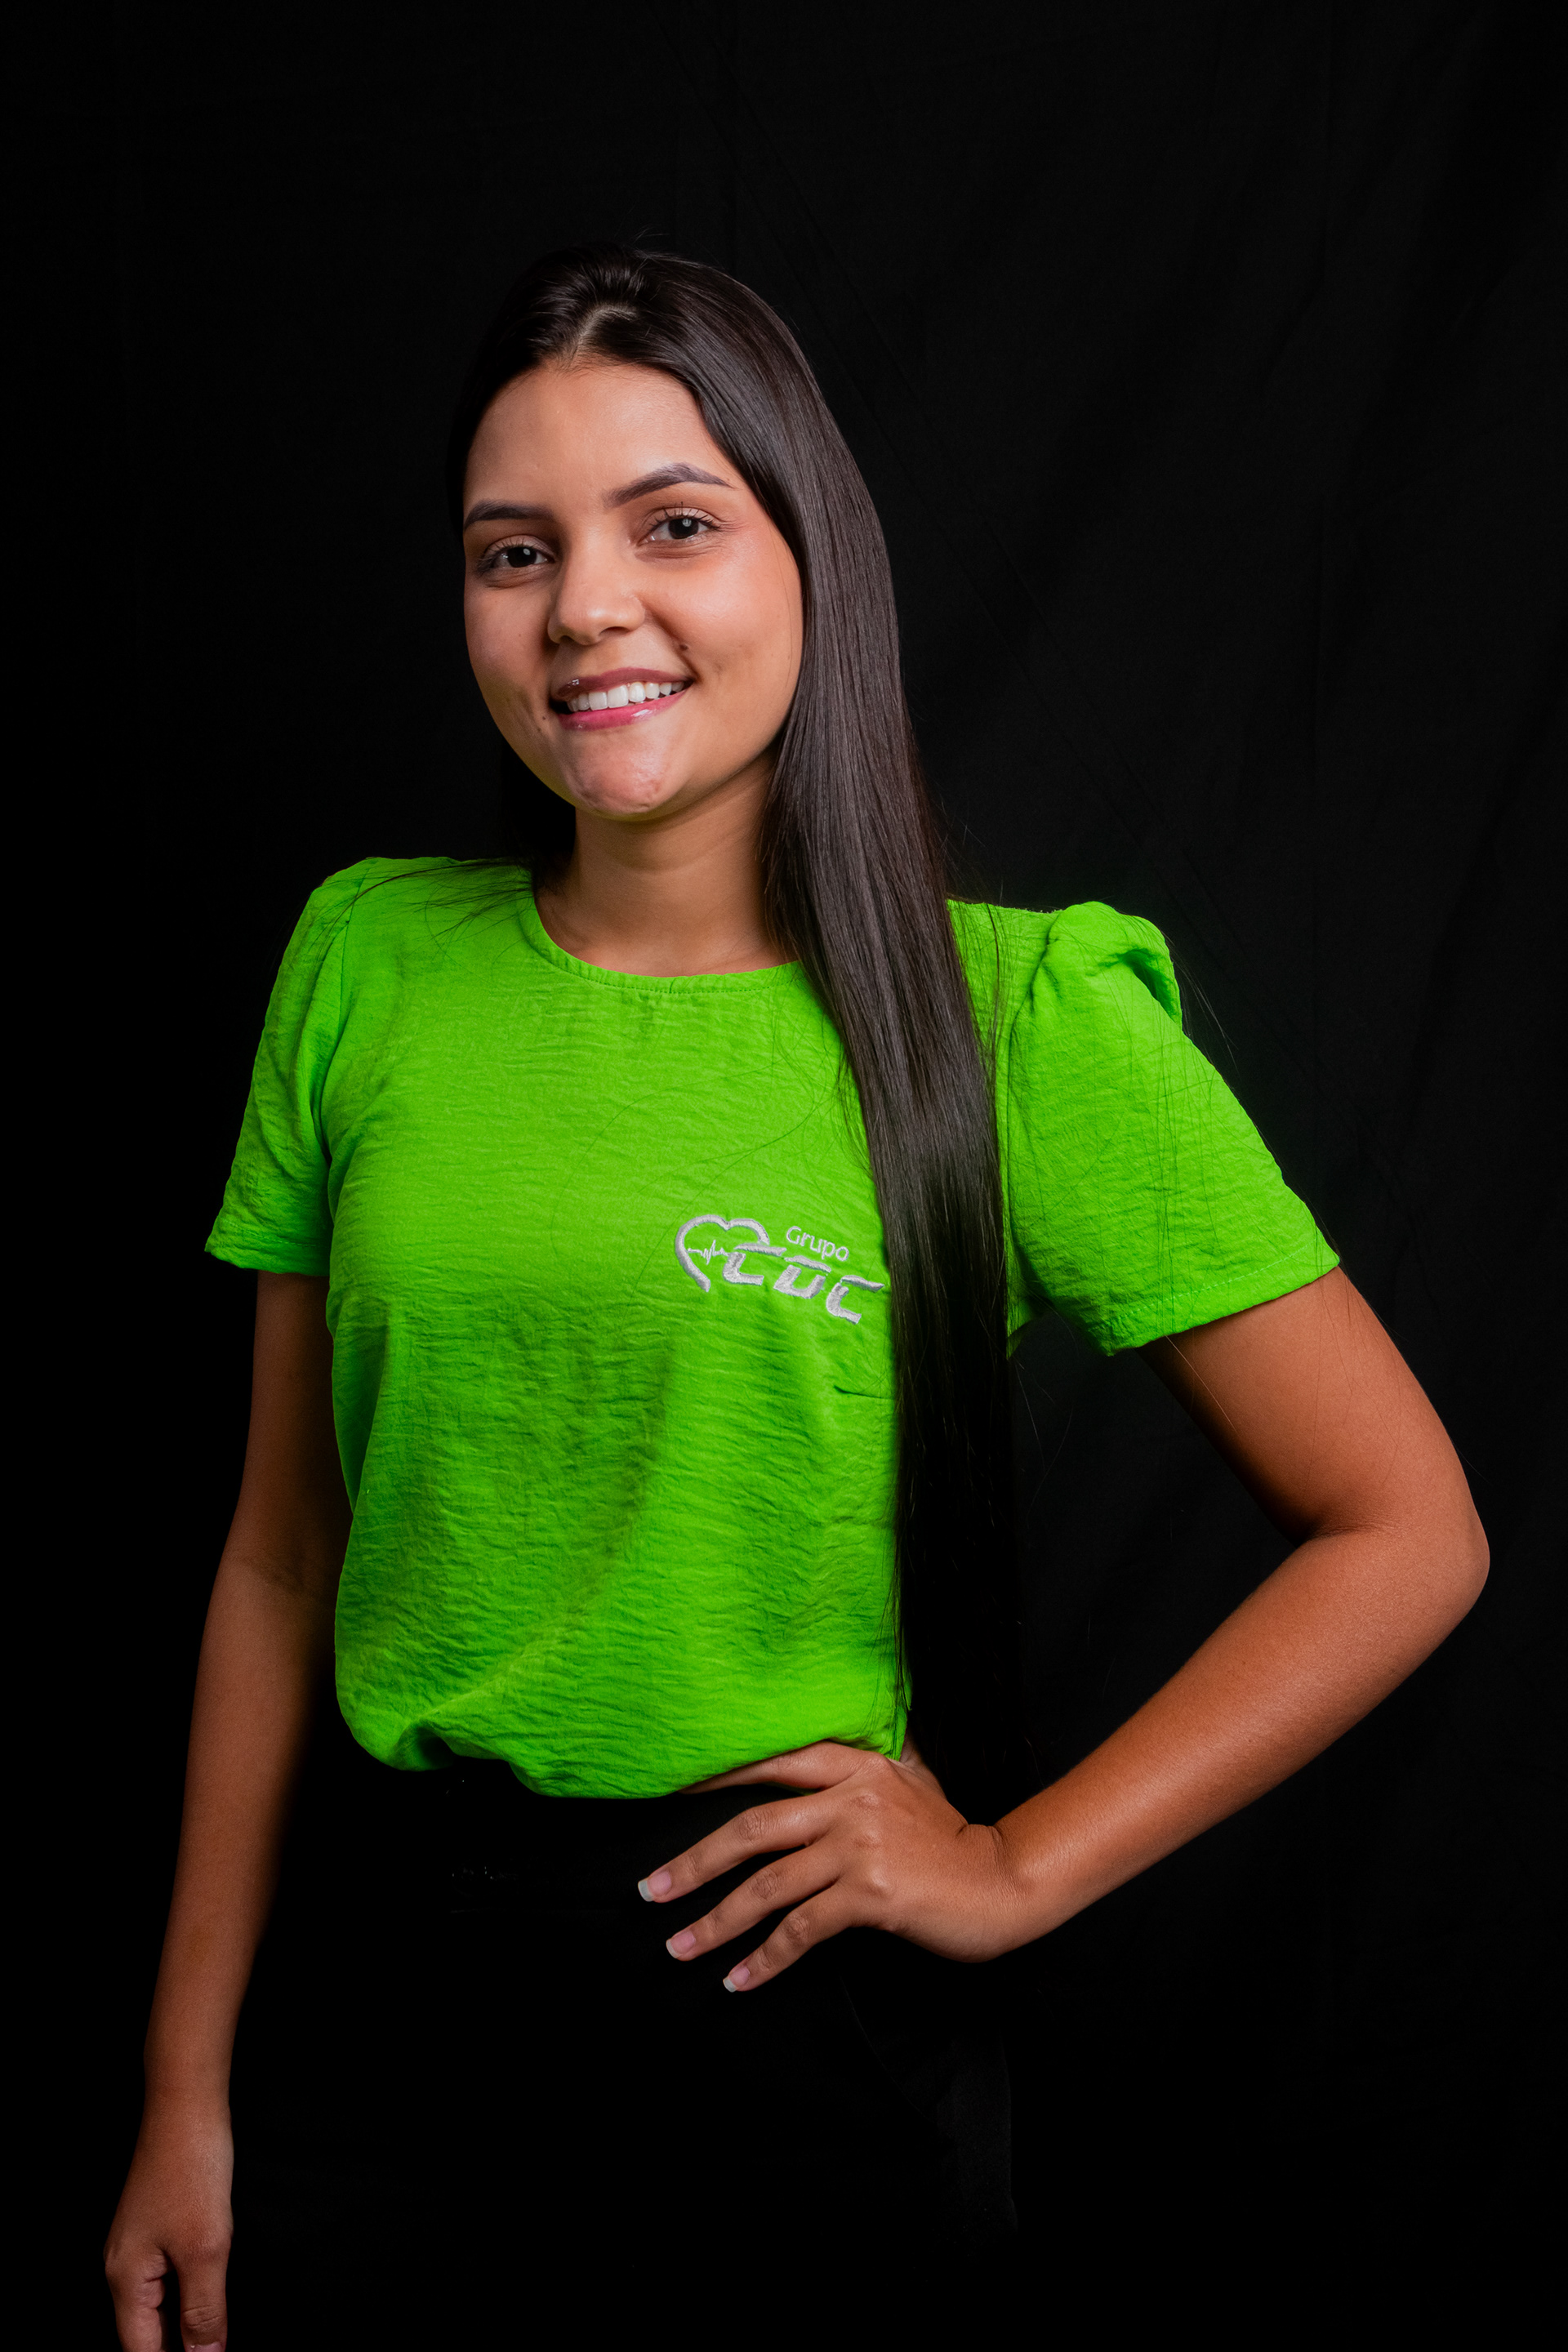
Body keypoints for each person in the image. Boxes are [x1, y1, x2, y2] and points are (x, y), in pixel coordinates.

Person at [105, 245, 1487, 2348]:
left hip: (782, 2031)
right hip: (379, 2015)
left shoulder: (1019, 1018)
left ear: (812, 555)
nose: (585, 607)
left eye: (673, 524)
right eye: (514, 550)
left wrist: (1015, 1867)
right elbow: (284, 1559)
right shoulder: (367, 961)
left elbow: (1407, 1528)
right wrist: (182, 2085)